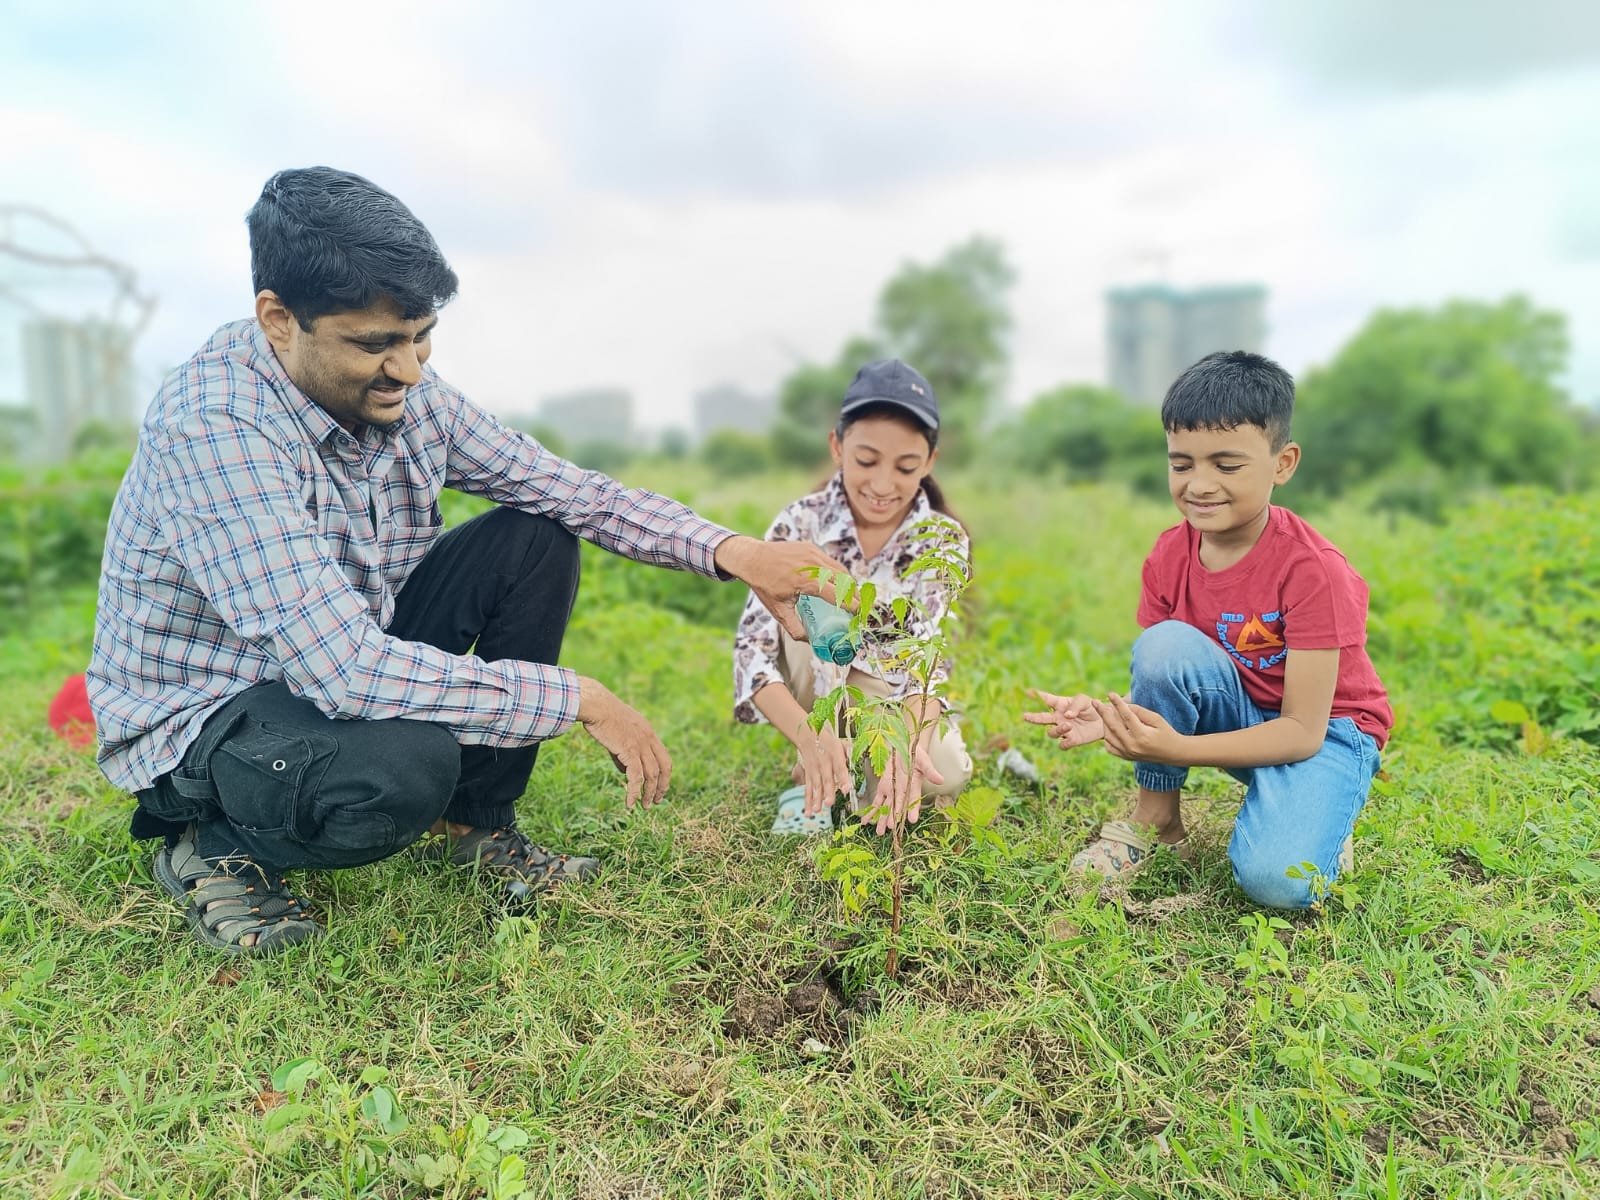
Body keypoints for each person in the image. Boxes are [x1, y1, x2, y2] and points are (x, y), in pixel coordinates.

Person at [87, 166, 845, 956]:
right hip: (218, 711)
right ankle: (211, 842)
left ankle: (474, 827)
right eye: (376, 344)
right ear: (279, 320)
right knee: (403, 766)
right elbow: (343, 670)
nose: (409, 371)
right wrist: (578, 698)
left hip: (338, 653)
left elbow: (572, 493)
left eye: (420, 336)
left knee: (535, 535)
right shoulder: (216, 427)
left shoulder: (408, 395)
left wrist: (736, 552)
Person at [1024, 351, 1392, 908]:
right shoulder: (1169, 555)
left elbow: (1302, 731)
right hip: (1242, 711)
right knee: (1164, 643)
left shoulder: (1313, 570)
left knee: (1278, 882)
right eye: (1182, 464)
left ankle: (1316, 818)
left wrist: (1179, 747)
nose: (1199, 484)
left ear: (1283, 463)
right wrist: (1112, 717)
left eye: (1226, 465)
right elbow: (1169, 677)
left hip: (1325, 734)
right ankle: (1157, 822)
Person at [733, 359, 974, 836]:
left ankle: (850, 773)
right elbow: (753, 650)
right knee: (810, 610)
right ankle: (813, 770)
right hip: (812, 684)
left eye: (905, 467)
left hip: (889, 696)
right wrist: (807, 735)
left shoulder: (942, 540)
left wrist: (907, 749)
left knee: (942, 774)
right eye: (866, 461)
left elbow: (925, 662)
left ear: (929, 462)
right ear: (837, 447)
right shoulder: (800, 523)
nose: (882, 485)